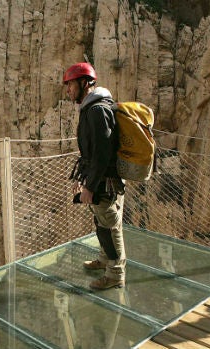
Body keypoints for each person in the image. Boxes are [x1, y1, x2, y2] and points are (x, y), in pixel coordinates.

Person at [64, 62, 126, 290]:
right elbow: (92, 152)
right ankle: (104, 260)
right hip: (101, 178)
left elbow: (102, 153)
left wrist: (89, 186)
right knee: (101, 220)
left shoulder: (98, 110)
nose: (68, 90)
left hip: (104, 180)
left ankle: (115, 275)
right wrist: (84, 181)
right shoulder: (92, 108)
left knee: (110, 226)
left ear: (84, 83)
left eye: (70, 84)